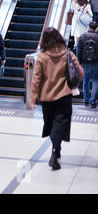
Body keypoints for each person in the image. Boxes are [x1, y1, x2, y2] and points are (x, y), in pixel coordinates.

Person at [30, 27, 84, 170]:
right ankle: (56, 151)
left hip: (47, 97)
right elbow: (80, 72)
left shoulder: (41, 57)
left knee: (51, 124)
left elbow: (36, 79)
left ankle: (55, 150)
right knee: (60, 124)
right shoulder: (68, 54)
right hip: (64, 96)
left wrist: (33, 98)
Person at [77, 21, 98, 108]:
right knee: (96, 81)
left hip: (85, 62)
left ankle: (85, 100)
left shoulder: (82, 36)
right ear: (96, 28)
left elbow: (79, 50)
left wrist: (79, 62)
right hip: (96, 62)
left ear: (89, 27)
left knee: (86, 81)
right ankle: (92, 101)